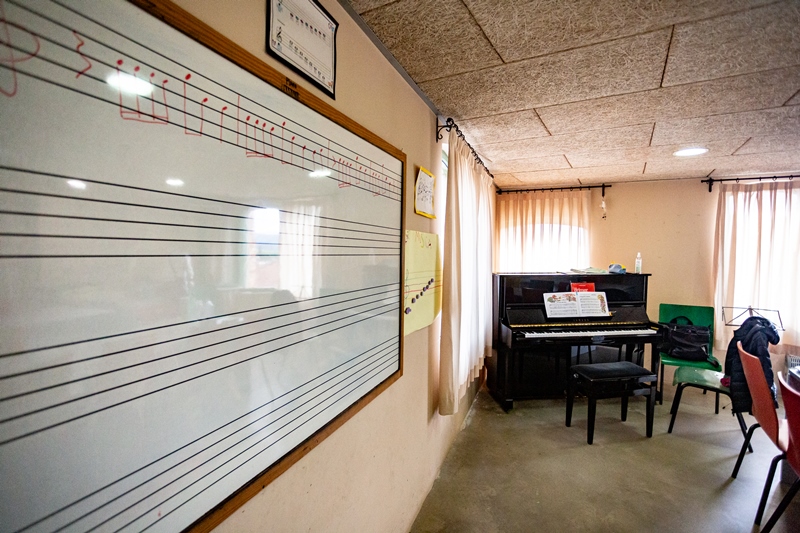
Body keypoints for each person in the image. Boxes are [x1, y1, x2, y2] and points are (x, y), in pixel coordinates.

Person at [722, 316, 781, 413]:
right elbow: (765, 366)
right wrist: (769, 394)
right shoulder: (761, 336)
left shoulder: (748, 328)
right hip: (744, 383)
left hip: (737, 378)